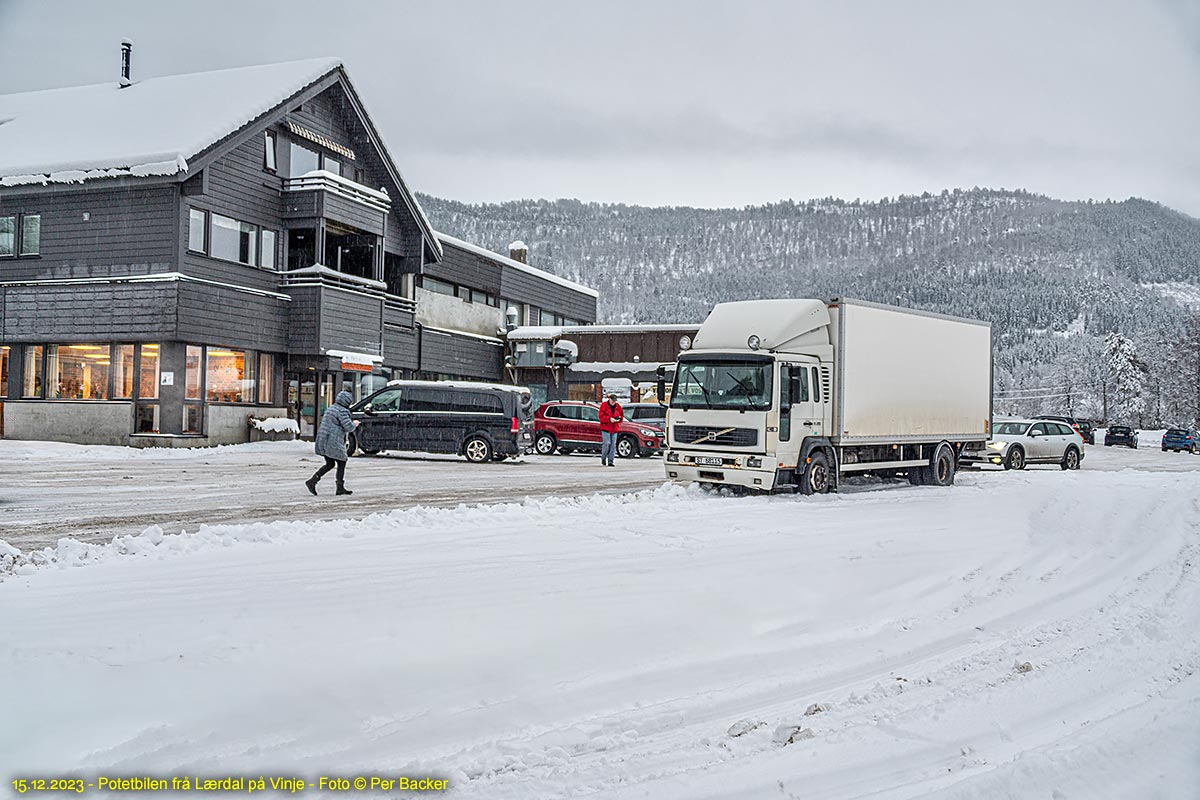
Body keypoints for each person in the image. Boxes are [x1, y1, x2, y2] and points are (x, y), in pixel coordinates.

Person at [306, 390, 358, 496]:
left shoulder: (331, 408)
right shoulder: (341, 411)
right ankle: (339, 487)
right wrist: (355, 424)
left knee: (330, 463)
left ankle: (313, 481)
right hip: (333, 441)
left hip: (324, 439)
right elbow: (348, 427)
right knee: (342, 461)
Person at [598, 392, 624, 466]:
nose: (613, 402)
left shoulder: (618, 407)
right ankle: (603, 457)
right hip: (606, 428)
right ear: (609, 399)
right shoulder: (604, 406)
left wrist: (618, 419)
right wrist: (609, 419)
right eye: (612, 400)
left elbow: (621, 416)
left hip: (614, 428)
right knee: (606, 444)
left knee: (613, 445)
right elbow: (601, 417)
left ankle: (610, 461)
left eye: (615, 401)